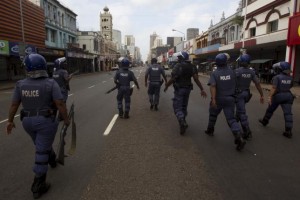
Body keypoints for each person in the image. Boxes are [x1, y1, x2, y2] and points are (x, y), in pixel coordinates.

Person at [5, 53, 70, 199]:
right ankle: (38, 184)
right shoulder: (50, 83)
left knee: (41, 144)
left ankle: (52, 159)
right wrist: (66, 119)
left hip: (27, 123)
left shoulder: (20, 84)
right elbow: (60, 103)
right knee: (41, 150)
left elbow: (14, 104)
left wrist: (10, 121)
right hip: (46, 121)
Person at [206, 53, 246, 151]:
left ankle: (210, 130)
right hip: (230, 99)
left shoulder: (215, 73)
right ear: (226, 62)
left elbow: (213, 86)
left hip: (219, 99)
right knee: (231, 119)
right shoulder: (233, 72)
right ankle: (239, 136)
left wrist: (213, 99)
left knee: (213, 115)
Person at [164, 51, 207, 135]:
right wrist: (202, 89)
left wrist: (166, 86)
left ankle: (182, 121)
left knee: (177, 107)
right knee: (184, 106)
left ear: (182, 58)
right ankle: (183, 121)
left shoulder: (178, 66)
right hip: (188, 89)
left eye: (179, 58)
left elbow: (173, 78)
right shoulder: (192, 66)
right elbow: (196, 79)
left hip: (179, 89)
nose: (178, 59)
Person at [259, 61, 294, 138]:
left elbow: (274, 88)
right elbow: (291, 86)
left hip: (278, 96)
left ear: (280, 69)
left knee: (270, 109)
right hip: (288, 95)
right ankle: (288, 131)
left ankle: (265, 121)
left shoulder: (277, 77)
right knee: (288, 113)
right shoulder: (291, 78)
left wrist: (270, 97)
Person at [234, 54, 264, 139]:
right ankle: (235, 120)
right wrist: (261, 95)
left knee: (242, 112)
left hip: (238, 94)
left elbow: (231, 83)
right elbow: (257, 84)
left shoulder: (237, 71)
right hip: (246, 94)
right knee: (240, 109)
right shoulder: (251, 72)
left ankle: (247, 131)